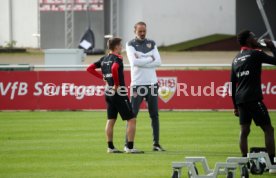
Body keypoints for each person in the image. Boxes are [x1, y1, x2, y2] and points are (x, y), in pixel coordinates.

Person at [87, 37, 144, 154]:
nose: (122, 46)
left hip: (108, 91)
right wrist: (117, 85)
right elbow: (114, 68)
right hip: (119, 92)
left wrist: (102, 78)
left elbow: (89, 68)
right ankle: (129, 147)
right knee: (132, 119)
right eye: (120, 45)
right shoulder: (117, 58)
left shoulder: (104, 58)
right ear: (116, 46)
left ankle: (110, 147)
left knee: (111, 119)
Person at [231, 30, 276, 173]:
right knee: (269, 129)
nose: (256, 39)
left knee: (244, 130)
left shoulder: (236, 58)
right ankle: (273, 163)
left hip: (240, 99)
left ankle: (244, 162)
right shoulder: (255, 54)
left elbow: (233, 84)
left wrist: (235, 106)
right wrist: (272, 47)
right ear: (249, 40)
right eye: (254, 37)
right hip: (253, 98)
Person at [126, 21, 165, 151]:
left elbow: (158, 62)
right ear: (135, 31)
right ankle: (128, 144)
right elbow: (134, 62)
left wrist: (143, 59)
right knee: (132, 115)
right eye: (140, 31)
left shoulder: (152, 43)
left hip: (152, 84)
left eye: (144, 31)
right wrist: (149, 58)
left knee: (154, 115)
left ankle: (156, 144)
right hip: (137, 84)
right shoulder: (130, 44)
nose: (142, 33)